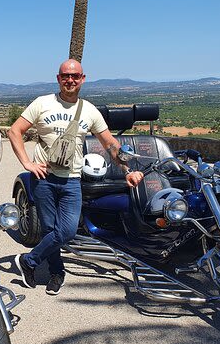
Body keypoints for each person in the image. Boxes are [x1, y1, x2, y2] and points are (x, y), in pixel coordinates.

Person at [7, 59, 143, 295]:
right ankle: (56, 273)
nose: (70, 80)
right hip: (44, 178)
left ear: (83, 79)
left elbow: (110, 144)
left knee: (67, 231)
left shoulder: (89, 110)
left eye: (75, 76)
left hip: (71, 179)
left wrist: (127, 171)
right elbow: (14, 131)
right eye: (65, 76)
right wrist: (27, 163)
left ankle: (29, 261)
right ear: (58, 79)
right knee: (50, 230)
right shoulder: (42, 103)